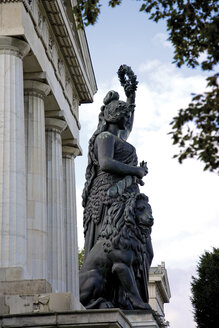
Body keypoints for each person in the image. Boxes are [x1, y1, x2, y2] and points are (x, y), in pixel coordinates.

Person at [82, 90, 148, 259]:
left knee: (144, 249)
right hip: (109, 194)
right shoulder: (104, 137)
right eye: (125, 115)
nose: (128, 119)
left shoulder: (119, 138)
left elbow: (129, 126)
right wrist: (136, 171)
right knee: (114, 244)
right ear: (116, 115)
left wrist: (131, 96)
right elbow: (105, 163)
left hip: (126, 193)